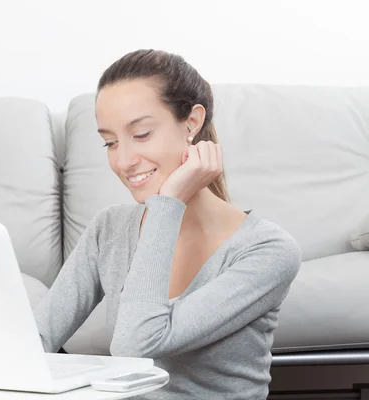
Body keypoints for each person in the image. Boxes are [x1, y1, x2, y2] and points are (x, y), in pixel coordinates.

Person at [34, 49, 301, 399]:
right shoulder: (109, 228)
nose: (124, 161)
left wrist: (168, 205)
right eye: (110, 142)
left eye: (141, 134)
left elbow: (136, 343)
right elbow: (37, 338)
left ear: (191, 123)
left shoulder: (268, 250)